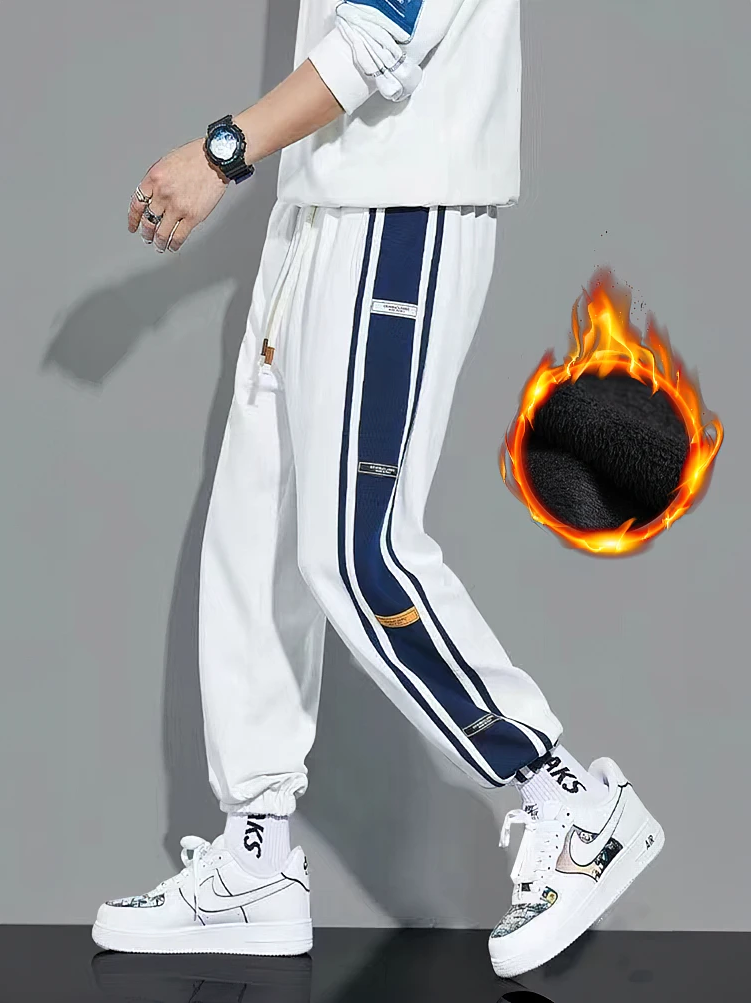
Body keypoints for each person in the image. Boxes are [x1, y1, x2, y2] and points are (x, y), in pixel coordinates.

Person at [92, 0, 663, 977]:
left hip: (398, 213)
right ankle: (255, 861)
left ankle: (569, 800)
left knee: (356, 555)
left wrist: (221, 153)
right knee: (255, 534)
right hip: (322, 205)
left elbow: (377, 33)